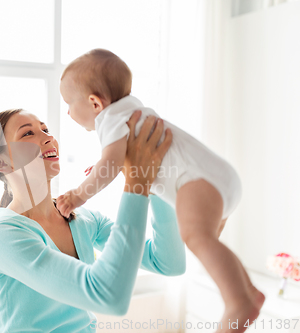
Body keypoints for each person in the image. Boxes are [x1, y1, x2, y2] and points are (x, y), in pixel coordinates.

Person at [57, 48, 264, 332]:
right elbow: (118, 159)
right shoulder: (131, 111)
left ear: (94, 103)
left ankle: (238, 299)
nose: (67, 112)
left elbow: (113, 164)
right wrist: (102, 165)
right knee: (207, 243)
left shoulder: (109, 120)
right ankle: (247, 289)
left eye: (68, 103)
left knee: (195, 236)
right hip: (218, 180)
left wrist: (78, 194)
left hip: (199, 182)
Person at [0, 107, 185, 333]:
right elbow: (108, 297)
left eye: (45, 129)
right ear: (1, 163)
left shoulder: (83, 219)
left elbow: (169, 263)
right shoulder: (1, 235)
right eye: (28, 134)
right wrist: (137, 184)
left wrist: (154, 183)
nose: (48, 137)